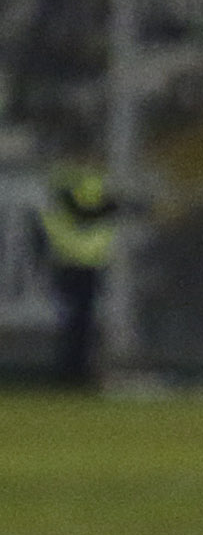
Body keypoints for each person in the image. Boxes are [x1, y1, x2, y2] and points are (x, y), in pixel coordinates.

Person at [33, 162, 114, 387]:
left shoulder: (82, 179)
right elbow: (82, 213)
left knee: (80, 322)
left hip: (86, 263)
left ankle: (77, 371)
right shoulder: (69, 182)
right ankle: (72, 373)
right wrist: (113, 207)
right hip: (71, 262)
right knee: (75, 322)